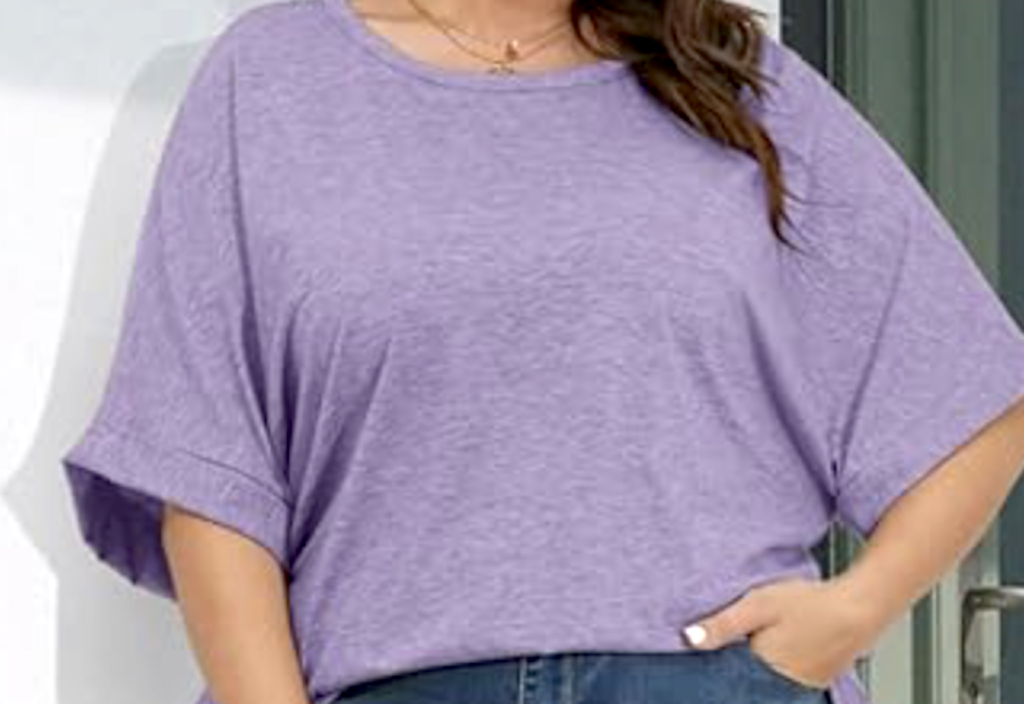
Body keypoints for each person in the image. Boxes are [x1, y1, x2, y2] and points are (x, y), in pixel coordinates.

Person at [59, 1, 1024, 703]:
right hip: (392, 682)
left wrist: (852, 614)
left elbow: (979, 394)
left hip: (707, 679)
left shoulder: (732, 81)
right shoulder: (271, 78)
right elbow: (209, 468)